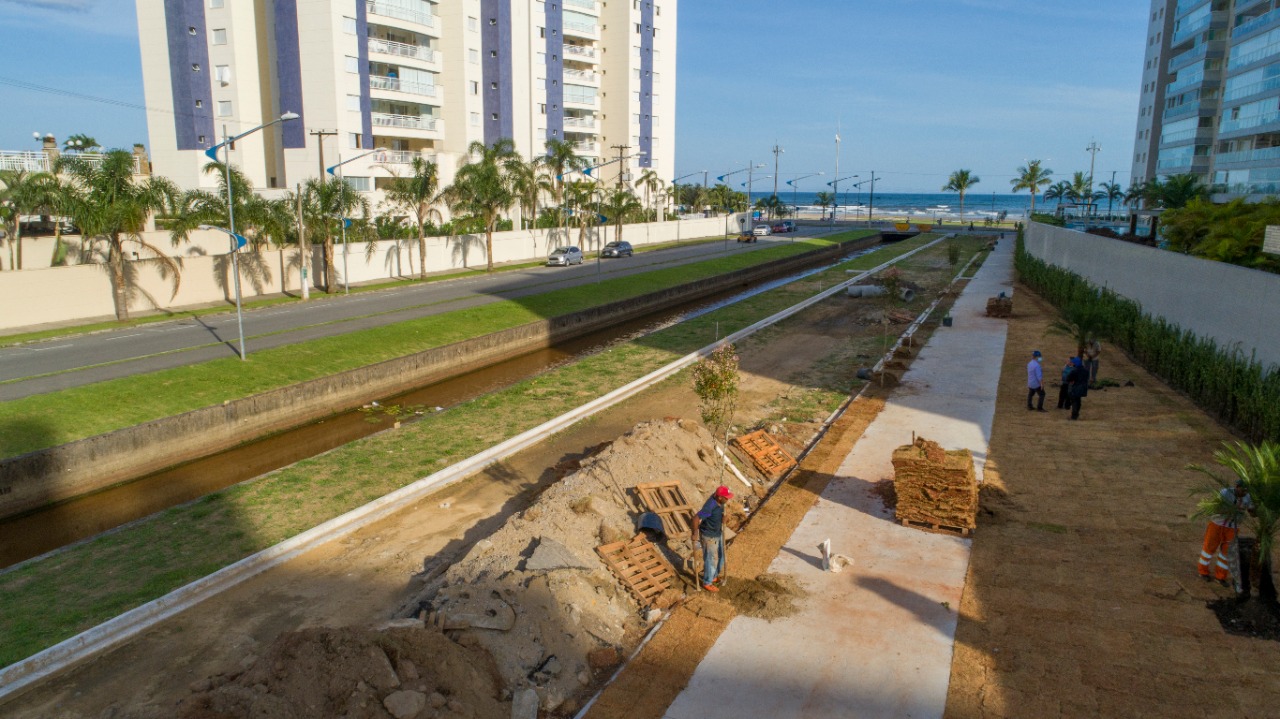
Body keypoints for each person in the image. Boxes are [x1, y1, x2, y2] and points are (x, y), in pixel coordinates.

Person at [1199, 481, 1253, 586]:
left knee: (1227, 553)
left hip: (1232, 527)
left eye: (1247, 490)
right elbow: (1216, 507)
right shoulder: (1225, 493)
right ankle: (1203, 571)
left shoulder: (1248, 497)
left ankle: (1220, 576)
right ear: (1237, 487)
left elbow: (1252, 511)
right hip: (1217, 524)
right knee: (1209, 548)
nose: (1244, 492)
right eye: (1243, 489)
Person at [695, 485, 733, 592]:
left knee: (722, 555)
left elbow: (716, 515)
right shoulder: (710, 506)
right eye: (726, 497)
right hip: (709, 536)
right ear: (720, 497)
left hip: (717, 532)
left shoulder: (720, 501)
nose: (728, 499)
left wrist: (723, 520)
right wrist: (694, 533)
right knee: (710, 559)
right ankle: (707, 582)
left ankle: (714, 576)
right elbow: (696, 518)